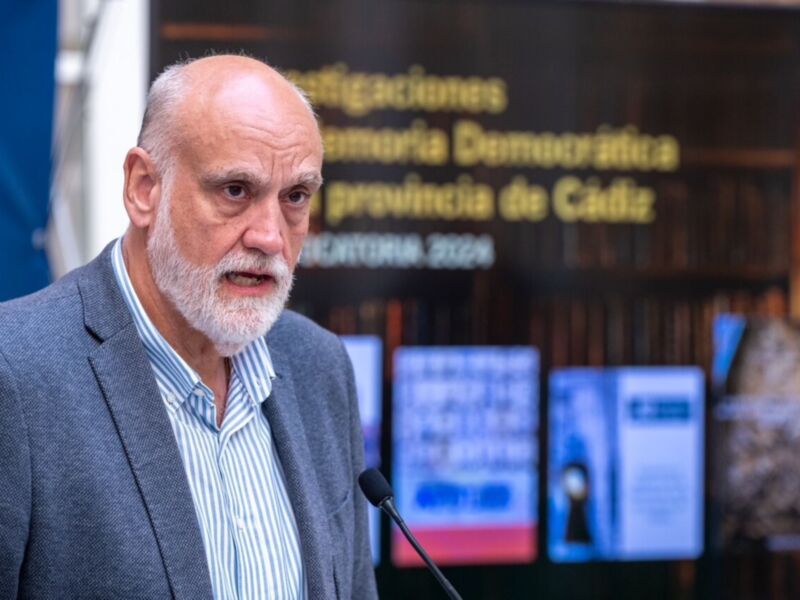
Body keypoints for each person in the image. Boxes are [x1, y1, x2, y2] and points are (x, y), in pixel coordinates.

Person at [0, 55, 378, 600]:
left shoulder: (318, 366)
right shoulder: (17, 375)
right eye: (235, 191)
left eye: (295, 197)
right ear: (144, 188)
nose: (270, 236)